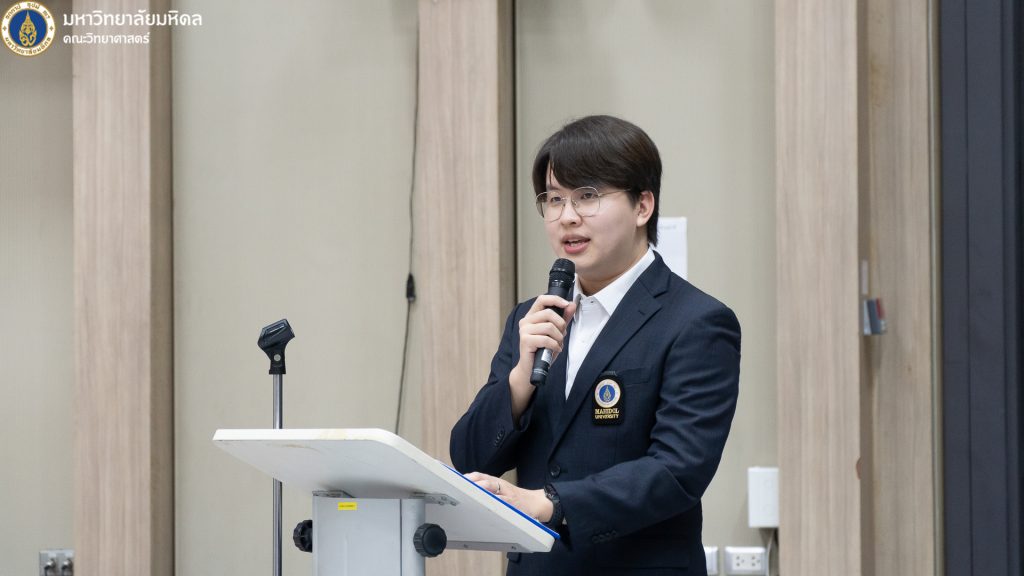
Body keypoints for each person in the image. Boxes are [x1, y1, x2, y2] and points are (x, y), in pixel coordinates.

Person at [450, 115, 741, 576]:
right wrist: (519, 381)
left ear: (642, 206)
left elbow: (676, 470)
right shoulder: (533, 319)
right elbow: (469, 457)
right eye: (554, 199)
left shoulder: (697, 322)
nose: (567, 216)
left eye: (587, 196)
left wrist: (549, 504)